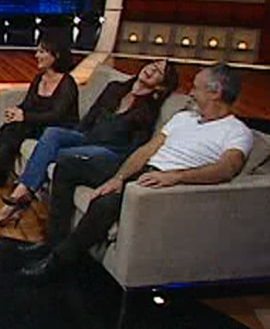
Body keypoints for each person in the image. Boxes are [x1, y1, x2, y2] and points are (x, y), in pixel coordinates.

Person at [19, 63, 254, 285]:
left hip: (167, 182)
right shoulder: (184, 118)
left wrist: (176, 177)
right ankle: (53, 242)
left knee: (104, 203)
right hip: (141, 170)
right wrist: (118, 178)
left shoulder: (236, 131)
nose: (191, 93)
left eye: (196, 87)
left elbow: (226, 169)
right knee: (67, 166)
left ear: (215, 92)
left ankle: (59, 261)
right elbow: (147, 150)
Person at [0, 59, 178, 227]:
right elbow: (90, 116)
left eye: (158, 71)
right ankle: (23, 194)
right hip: (88, 137)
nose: (151, 69)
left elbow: (137, 146)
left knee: (55, 155)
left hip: (109, 150)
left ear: (161, 86)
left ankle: (15, 202)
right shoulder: (115, 88)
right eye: (153, 64)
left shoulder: (148, 109)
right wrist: (73, 136)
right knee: (53, 134)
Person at [0, 35, 79, 191]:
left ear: (56, 55)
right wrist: (17, 110)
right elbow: (28, 104)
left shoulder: (67, 84)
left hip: (57, 128)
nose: (36, 55)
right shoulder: (39, 78)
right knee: (7, 130)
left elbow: (56, 115)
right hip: (38, 123)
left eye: (42, 52)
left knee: (15, 131)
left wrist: (24, 116)